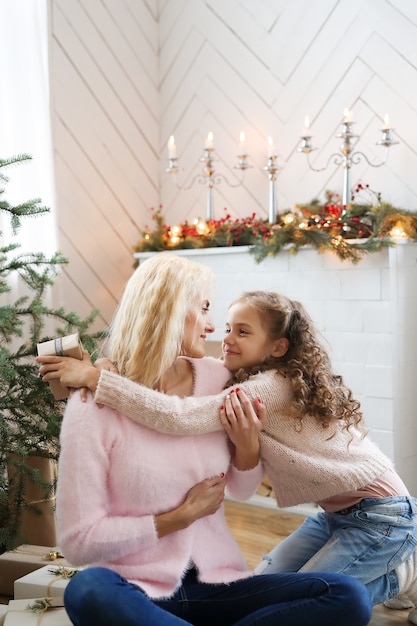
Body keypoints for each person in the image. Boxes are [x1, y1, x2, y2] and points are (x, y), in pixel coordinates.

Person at [50, 256, 372, 626]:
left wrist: (249, 447)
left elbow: (239, 488)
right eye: (203, 308)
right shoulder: (93, 403)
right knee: (88, 589)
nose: (212, 325)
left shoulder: (221, 379)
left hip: (217, 585)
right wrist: (178, 518)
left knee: (348, 595)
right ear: (167, 311)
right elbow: (78, 542)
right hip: (135, 587)